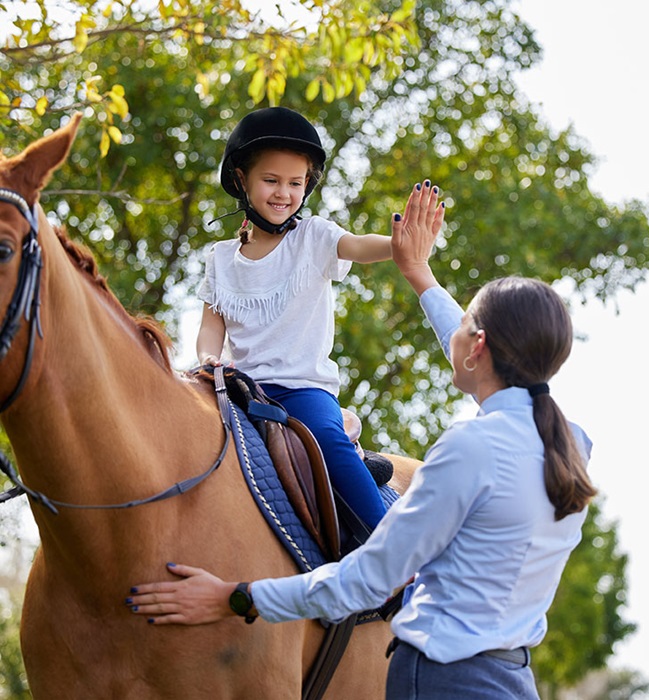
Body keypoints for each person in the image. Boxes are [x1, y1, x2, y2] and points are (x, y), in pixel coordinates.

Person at [127, 182, 597, 699]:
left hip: (439, 681)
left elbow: (370, 578)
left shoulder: (467, 450)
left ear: (478, 347)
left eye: (465, 324)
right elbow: (473, 352)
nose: (455, 333)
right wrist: (419, 275)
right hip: (511, 679)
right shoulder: (570, 445)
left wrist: (233, 598)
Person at [196, 106, 395, 529]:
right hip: (237, 387)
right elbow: (212, 324)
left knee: (325, 440)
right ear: (240, 180)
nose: (283, 192)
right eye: (270, 180)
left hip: (300, 389)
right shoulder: (220, 258)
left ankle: (388, 548)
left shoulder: (314, 237)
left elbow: (359, 246)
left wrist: (401, 243)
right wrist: (208, 358)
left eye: (294, 182)